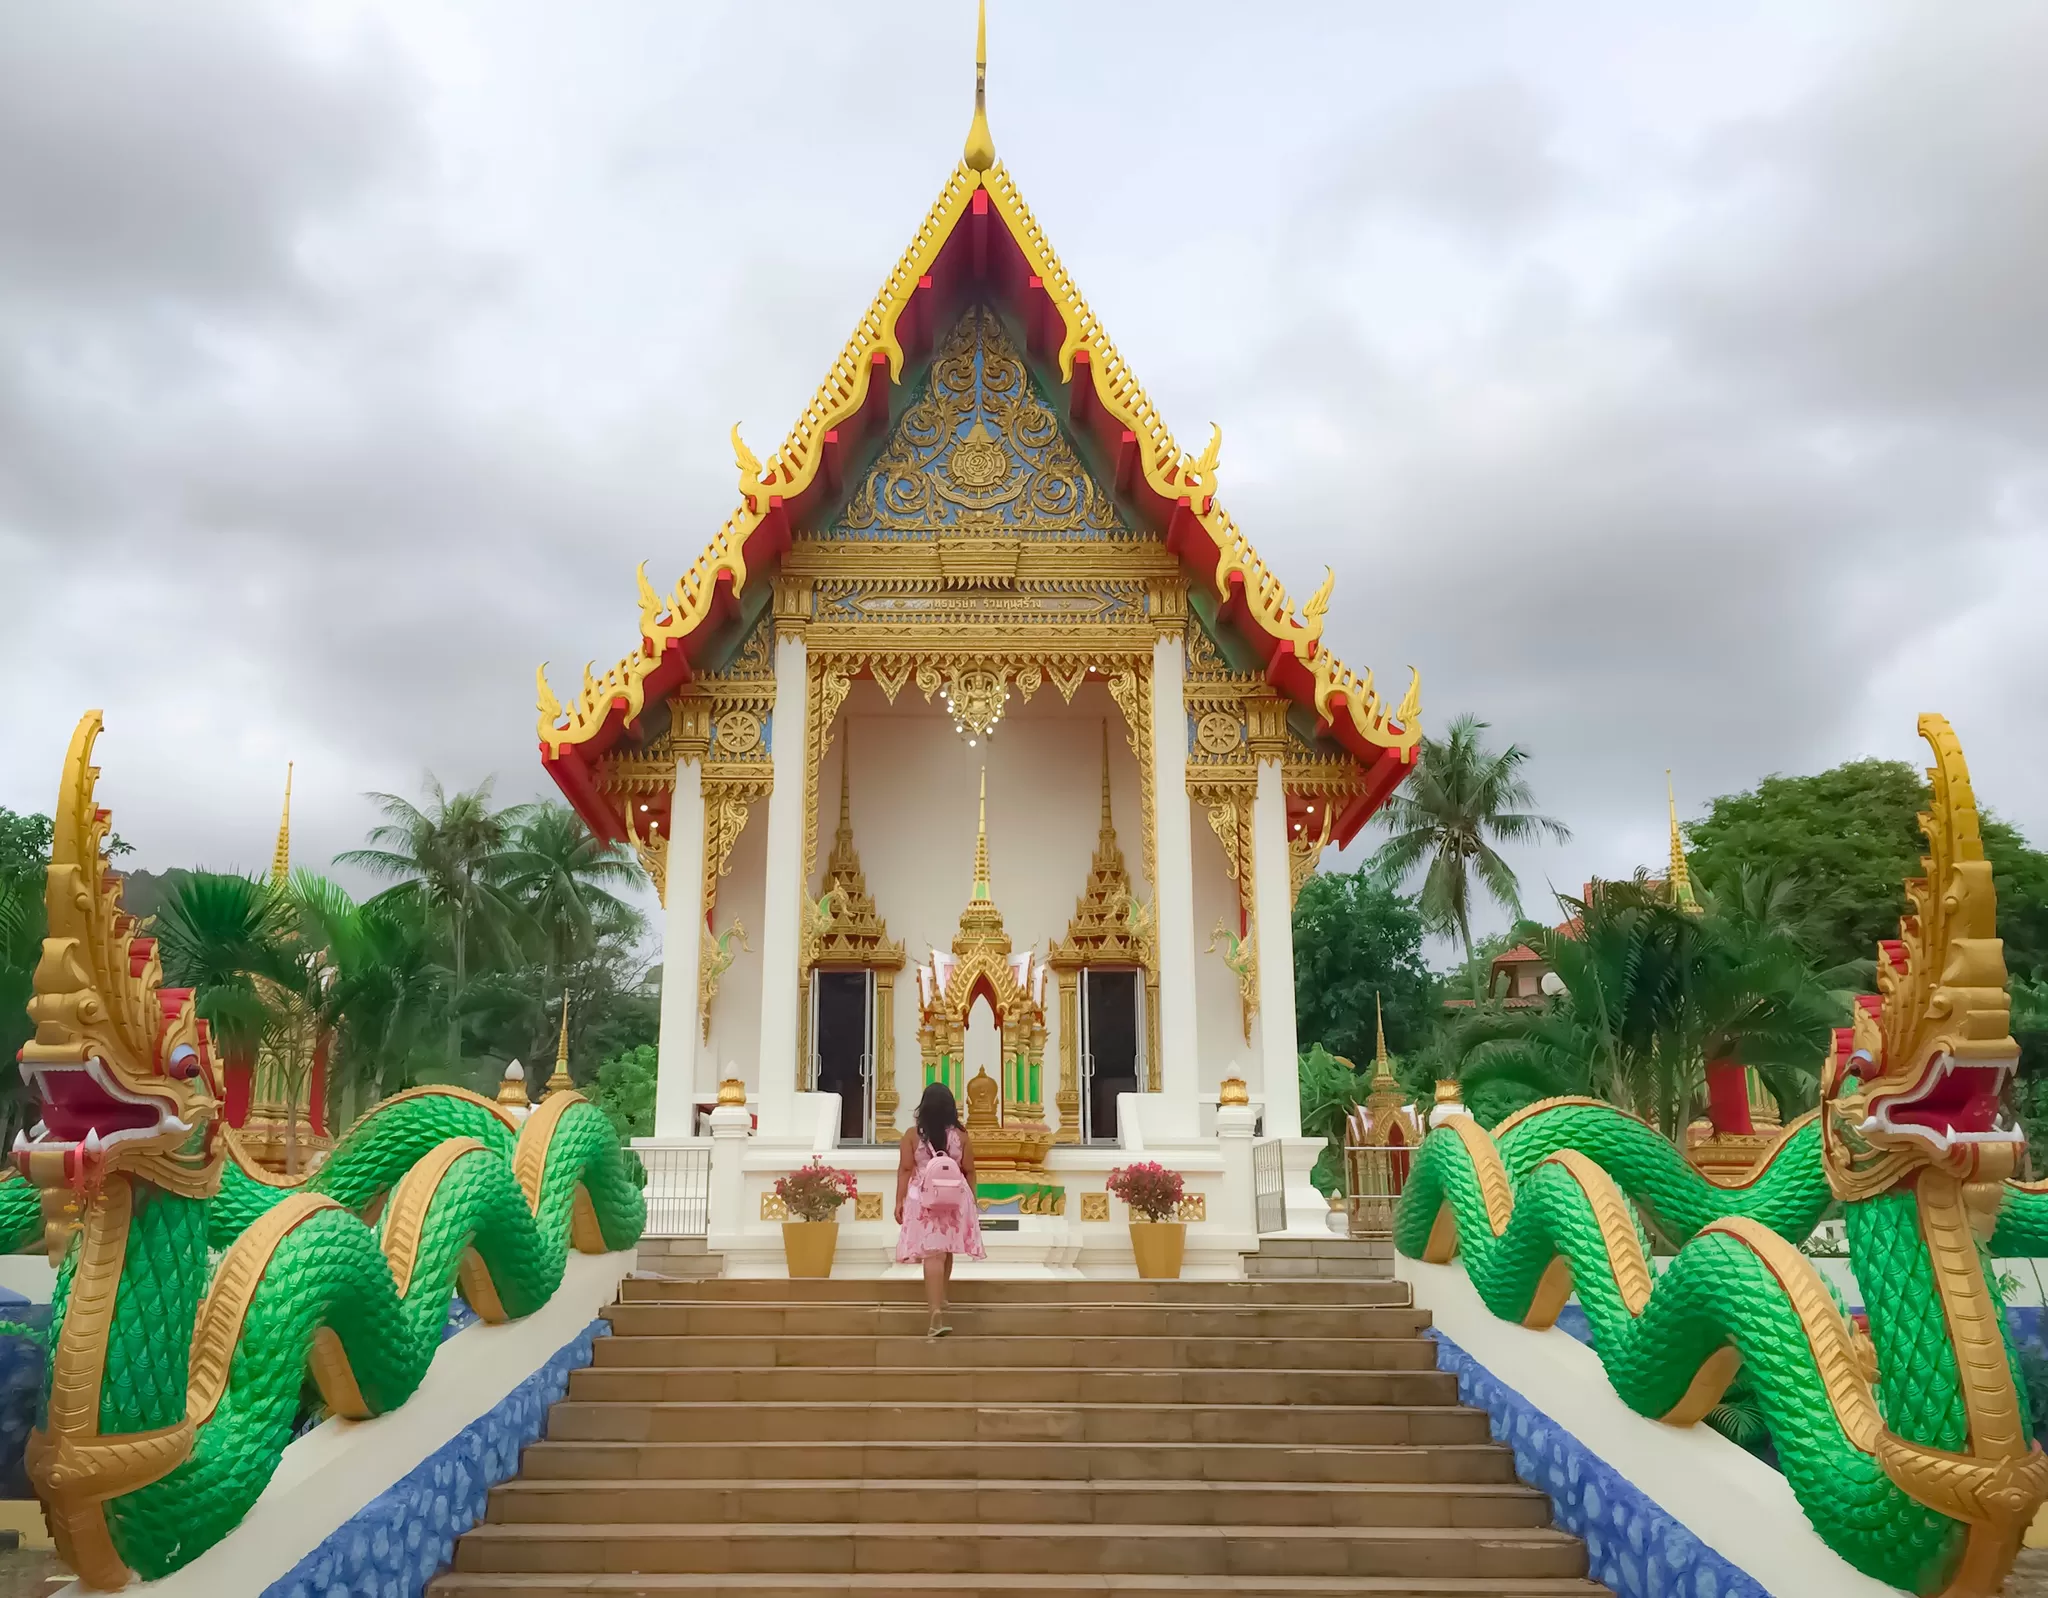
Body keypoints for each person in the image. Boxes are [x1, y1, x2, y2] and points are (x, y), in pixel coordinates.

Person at [895, 1081, 984, 1338]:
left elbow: (905, 1169)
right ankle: (941, 1298)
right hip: (955, 1199)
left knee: (933, 1253)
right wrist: (973, 1202)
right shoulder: (961, 1136)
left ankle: (935, 1312)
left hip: (923, 1199)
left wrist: (899, 1200)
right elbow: (969, 1170)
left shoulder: (912, 1136)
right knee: (945, 1249)